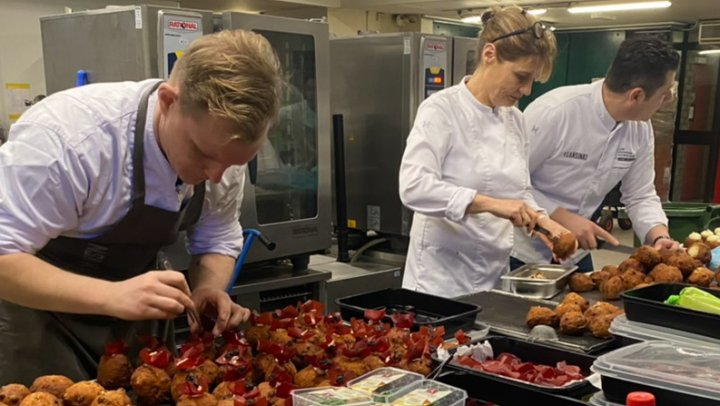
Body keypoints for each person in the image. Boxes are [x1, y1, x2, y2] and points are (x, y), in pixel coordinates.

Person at [0, 29, 281, 383]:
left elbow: (216, 237)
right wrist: (111, 295)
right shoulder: (71, 139)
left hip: (135, 330)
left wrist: (208, 289)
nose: (215, 176)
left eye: (234, 163)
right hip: (40, 324)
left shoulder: (220, 152)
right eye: (203, 155)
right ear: (167, 101)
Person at [399, 6, 573, 298]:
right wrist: (492, 204)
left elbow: (520, 191)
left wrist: (544, 221)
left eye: (532, 81)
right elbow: (414, 188)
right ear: (489, 54)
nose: (527, 90)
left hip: (495, 279)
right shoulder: (441, 110)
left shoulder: (514, 119)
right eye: (521, 77)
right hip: (440, 283)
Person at [511, 37, 681, 271]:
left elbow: (640, 194)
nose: (669, 100)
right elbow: (509, 183)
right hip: (521, 252)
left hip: (577, 254)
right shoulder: (554, 113)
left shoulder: (640, 128)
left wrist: (658, 236)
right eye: (665, 93)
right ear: (636, 96)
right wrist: (561, 216)